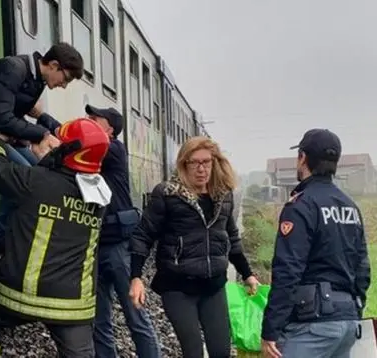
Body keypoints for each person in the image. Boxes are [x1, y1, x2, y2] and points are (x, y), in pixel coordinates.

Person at [0, 118, 112, 358]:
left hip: (19, 295)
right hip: (72, 305)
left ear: (65, 150)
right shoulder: (101, 196)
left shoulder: (35, 181)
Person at [30, 104, 161, 357]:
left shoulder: (113, 149)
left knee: (136, 317)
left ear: (109, 129)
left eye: (94, 118)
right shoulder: (97, 151)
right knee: (99, 320)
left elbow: (74, 140)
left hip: (119, 248)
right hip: (94, 247)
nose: (87, 119)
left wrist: (42, 117)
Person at [129, 136, 260, 358]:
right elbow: (144, 235)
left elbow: (232, 238)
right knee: (193, 352)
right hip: (177, 286)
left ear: (214, 163)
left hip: (213, 286)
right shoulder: (167, 194)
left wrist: (247, 274)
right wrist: (136, 277)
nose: (201, 169)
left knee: (221, 351)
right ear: (184, 164)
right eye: (194, 163)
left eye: (206, 162)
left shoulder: (223, 195)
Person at [0, 42, 84, 253]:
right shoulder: (13, 69)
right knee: (23, 179)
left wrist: (28, 140)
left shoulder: (35, 79)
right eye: (66, 79)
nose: (64, 85)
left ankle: (16, 233)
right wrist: (41, 134)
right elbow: (3, 117)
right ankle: (0, 238)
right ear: (54, 65)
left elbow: (9, 115)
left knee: (40, 170)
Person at [261, 129, 371, 358]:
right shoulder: (349, 206)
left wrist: (270, 329)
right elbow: (362, 268)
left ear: (302, 157)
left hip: (311, 326)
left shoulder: (301, 206)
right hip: (347, 321)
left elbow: (288, 271)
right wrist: (354, 309)